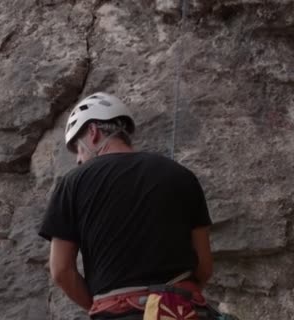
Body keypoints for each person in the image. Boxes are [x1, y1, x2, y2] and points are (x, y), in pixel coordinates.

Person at [38, 92, 214, 319]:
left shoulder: (73, 183)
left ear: (93, 132)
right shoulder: (182, 175)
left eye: (79, 149)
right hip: (182, 311)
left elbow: (61, 270)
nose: (79, 160)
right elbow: (204, 266)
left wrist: (103, 306)